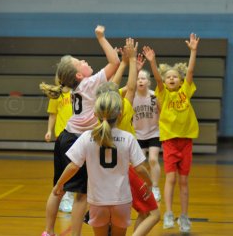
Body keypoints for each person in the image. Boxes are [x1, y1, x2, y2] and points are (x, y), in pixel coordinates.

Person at [40, 25, 120, 236]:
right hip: (77, 141)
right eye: (81, 62)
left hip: (64, 137)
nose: (85, 61)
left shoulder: (79, 88)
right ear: (78, 74)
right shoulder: (89, 84)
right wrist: (101, 37)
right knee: (81, 195)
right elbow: (115, 63)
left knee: (58, 188)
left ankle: (48, 232)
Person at [53, 91, 152, 236]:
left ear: (95, 114)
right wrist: (149, 183)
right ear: (120, 115)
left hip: (97, 202)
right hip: (122, 201)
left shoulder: (87, 137)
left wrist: (59, 184)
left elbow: (73, 166)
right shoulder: (128, 138)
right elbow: (140, 168)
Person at [95, 38, 160, 236]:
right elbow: (129, 88)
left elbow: (113, 88)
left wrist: (124, 63)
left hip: (105, 177)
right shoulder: (124, 109)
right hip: (128, 170)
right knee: (154, 214)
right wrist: (130, 61)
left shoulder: (99, 115)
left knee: (135, 214)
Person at [143, 33, 200, 233]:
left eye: (175, 76)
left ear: (180, 79)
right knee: (171, 179)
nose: (171, 78)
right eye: (168, 77)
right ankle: (168, 213)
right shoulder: (163, 93)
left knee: (184, 181)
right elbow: (157, 78)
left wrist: (193, 51)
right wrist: (152, 62)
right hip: (169, 142)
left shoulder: (186, 90)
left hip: (186, 142)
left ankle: (184, 216)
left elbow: (191, 70)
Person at [44, 76, 74, 213]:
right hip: (62, 136)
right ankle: (65, 198)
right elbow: (53, 115)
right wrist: (49, 130)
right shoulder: (56, 95)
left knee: (74, 168)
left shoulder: (76, 92)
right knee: (65, 168)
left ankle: (71, 195)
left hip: (76, 134)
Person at [133, 69, 162, 202]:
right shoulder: (132, 96)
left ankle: (155, 187)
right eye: (138, 78)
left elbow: (162, 112)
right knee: (140, 163)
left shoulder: (154, 96)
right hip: (138, 134)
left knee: (153, 160)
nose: (140, 80)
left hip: (154, 132)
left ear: (149, 82)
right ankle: (145, 186)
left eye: (143, 78)